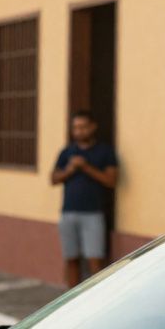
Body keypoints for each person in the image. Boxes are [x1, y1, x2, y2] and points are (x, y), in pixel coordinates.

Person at [51, 111, 118, 287]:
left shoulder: (105, 151)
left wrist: (86, 167)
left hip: (93, 214)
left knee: (95, 259)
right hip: (68, 213)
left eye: (83, 127)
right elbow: (54, 179)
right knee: (71, 258)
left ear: (92, 127)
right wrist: (71, 169)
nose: (79, 131)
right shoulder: (67, 152)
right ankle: (71, 299)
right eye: (75, 128)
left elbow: (111, 181)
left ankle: (97, 296)